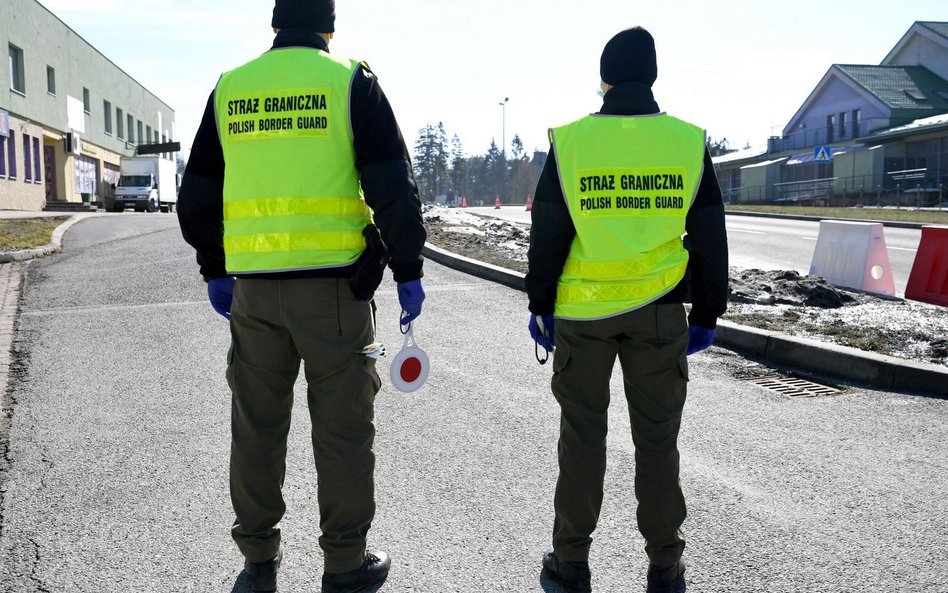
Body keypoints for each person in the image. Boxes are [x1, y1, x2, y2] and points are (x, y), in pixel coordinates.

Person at [176, 1, 426, 591]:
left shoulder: (231, 88)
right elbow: (391, 181)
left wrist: (216, 265)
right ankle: (344, 563)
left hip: (254, 295)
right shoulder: (349, 80)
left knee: (257, 426)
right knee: (341, 431)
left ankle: (258, 561)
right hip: (335, 292)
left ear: (274, 23)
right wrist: (409, 267)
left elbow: (197, 196)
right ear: (328, 24)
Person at [526, 27, 728, 593]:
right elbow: (710, 233)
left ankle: (571, 562)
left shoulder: (572, 142)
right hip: (660, 311)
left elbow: (549, 231)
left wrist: (540, 301)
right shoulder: (687, 142)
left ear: (605, 78)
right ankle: (665, 565)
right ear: (654, 76)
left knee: (582, 439)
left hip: (583, 315)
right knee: (658, 441)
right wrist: (709, 311)